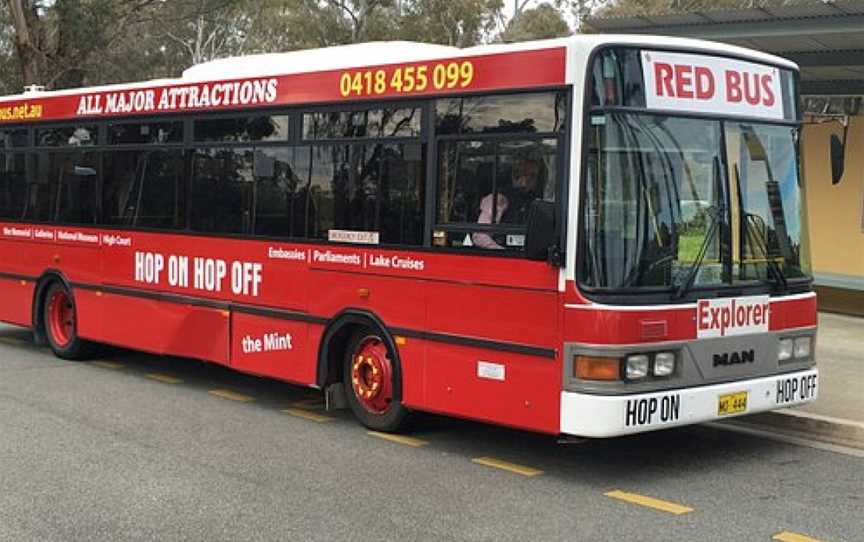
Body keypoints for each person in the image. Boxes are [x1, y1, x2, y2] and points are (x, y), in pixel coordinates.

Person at [472, 154, 546, 249]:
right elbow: (480, 236)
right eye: (520, 174)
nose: (526, 180)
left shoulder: (537, 201)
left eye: (533, 176)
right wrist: (503, 252)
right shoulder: (497, 199)